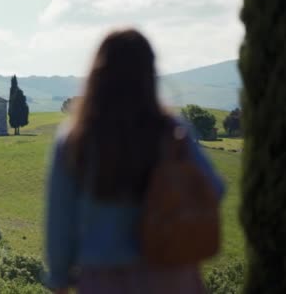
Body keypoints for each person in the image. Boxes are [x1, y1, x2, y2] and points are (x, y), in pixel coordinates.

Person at [45, 29, 225, 293]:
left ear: (98, 75)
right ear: (149, 74)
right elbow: (215, 189)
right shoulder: (173, 132)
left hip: (104, 281)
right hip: (172, 275)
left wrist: (60, 279)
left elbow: (59, 224)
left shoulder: (75, 139)